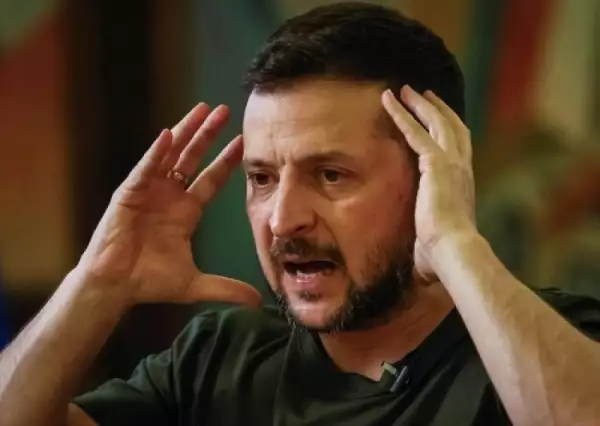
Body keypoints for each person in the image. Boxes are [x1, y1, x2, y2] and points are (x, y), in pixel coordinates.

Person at [1, 2, 600, 425]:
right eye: (262, 179)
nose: (283, 220)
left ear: (431, 178)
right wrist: (99, 281)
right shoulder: (220, 360)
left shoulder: (557, 338)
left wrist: (455, 244)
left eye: (330, 175)